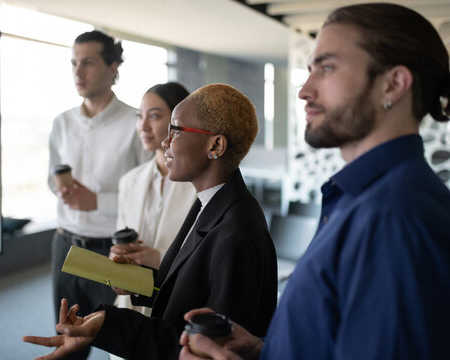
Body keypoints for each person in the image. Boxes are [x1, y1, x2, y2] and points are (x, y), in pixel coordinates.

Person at [178, 3, 450, 360]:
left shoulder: (392, 217)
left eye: (326, 68)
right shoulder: (364, 199)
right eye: (309, 69)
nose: (304, 90)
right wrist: (266, 351)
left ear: (394, 83)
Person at [24, 83, 278, 359]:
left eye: (176, 130)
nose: (166, 142)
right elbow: (187, 292)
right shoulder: (211, 203)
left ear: (215, 145)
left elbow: (206, 349)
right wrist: (135, 283)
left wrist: (105, 327)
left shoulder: (237, 233)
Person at [48, 30, 150, 360]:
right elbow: (51, 177)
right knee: (68, 341)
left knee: (117, 344)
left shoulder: (137, 124)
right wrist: (60, 188)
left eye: (88, 63)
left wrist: (99, 202)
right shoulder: (62, 122)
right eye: (74, 63)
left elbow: (150, 194)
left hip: (112, 251)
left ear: (113, 67)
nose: (78, 72)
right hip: (65, 246)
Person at [111, 82, 196, 318]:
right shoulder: (129, 181)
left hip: (177, 307)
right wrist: (119, 258)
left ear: (180, 121)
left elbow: (210, 261)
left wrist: (160, 259)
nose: (143, 126)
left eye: (155, 116)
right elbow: (123, 238)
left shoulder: (200, 186)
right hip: (130, 304)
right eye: (140, 117)